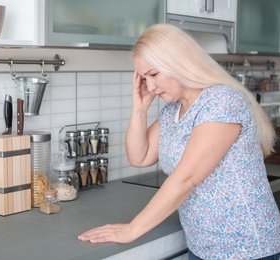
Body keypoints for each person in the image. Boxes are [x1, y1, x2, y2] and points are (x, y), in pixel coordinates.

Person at [78, 23, 280, 259]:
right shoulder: (174, 110)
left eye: (153, 74)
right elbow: (139, 157)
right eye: (144, 78)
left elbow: (186, 179)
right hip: (202, 244)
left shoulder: (221, 102)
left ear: (178, 62)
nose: (150, 87)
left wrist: (132, 229)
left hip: (245, 247)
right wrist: (139, 109)